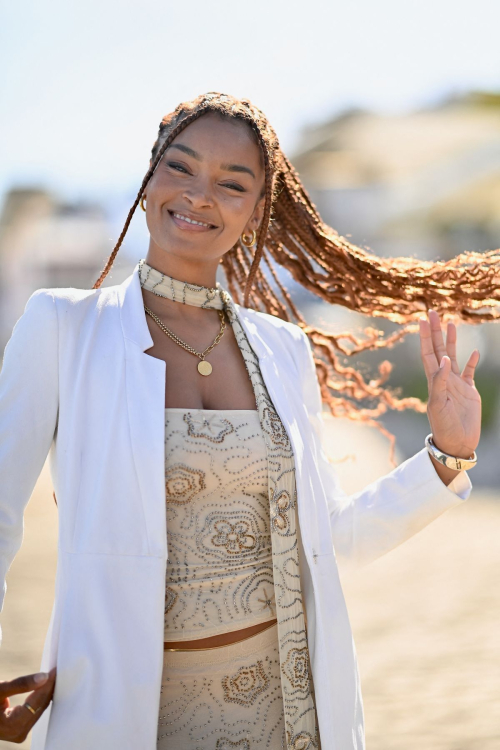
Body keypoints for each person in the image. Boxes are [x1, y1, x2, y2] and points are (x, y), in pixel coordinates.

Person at [0, 92, 487, 750]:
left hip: (288, 715)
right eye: (181, 168)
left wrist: (447, 456)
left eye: (232, 184)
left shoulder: (281, 349)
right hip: (129, 716)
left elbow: (333, 539)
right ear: (147, 183)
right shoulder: (63, 328)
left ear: (256, 213)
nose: (201, 196)